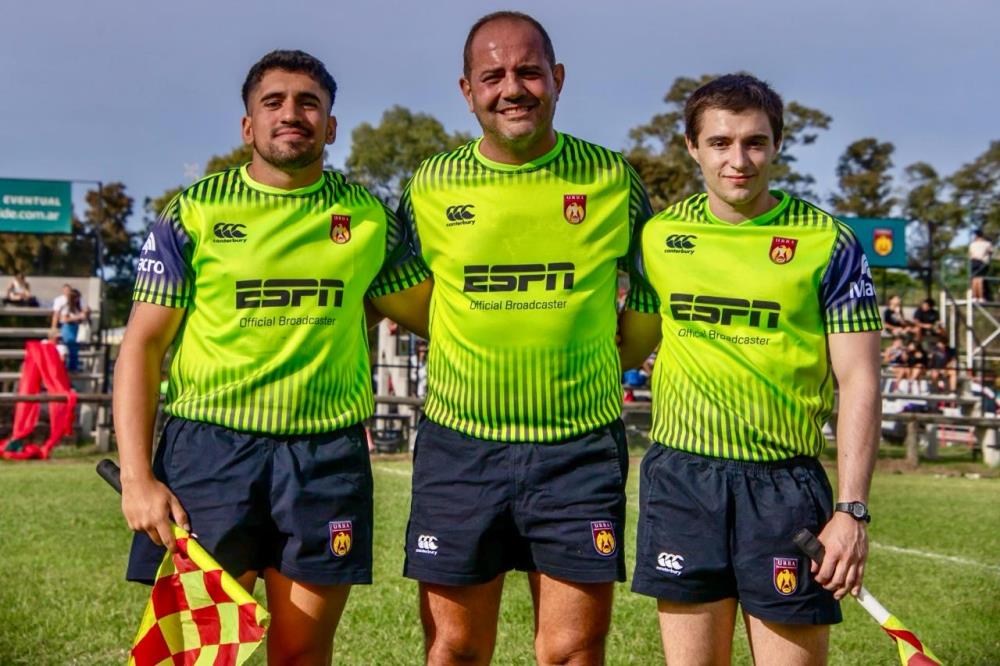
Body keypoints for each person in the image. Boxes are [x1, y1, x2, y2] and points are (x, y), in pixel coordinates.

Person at [114, 49, 430, 665]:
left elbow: (431, 313)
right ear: (248, 125)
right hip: (210, 455)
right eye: (274, 102)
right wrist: (136, 477)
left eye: (309, 103)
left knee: (301, 654)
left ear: (330, 126)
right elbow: (142, 344)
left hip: (325, 457)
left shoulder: (369, 218)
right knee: (195, 656)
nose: (292, 114)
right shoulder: (196, 211)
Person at [395, 12, 652, 664]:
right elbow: (395, 291)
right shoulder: (429, 185)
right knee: (454, 647)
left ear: (558, 78)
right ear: (467, 91)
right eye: (493, 76)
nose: (512, 88)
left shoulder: (612, 179)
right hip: (460, 447)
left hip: (578, 449)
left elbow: (652, 293)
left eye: (529, 72)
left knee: (572, 650)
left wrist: (601, 360)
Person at [619, 74, 882, 665]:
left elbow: (860, 380)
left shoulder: (829, 242)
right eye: (719, 142)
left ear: (777, 145)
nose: (738, 161)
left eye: (755, 142)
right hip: (683, 479)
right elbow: (624, 347)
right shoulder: (659, 237)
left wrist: (851, 510)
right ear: (692, 147)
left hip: (785, 488)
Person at [56, 288, 86, 371]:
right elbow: (64, 319)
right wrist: (78, 317)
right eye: (77, 297)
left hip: (75, 329)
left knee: (75, 350)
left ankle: (73, 367)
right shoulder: (66, 307)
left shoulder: (77, 308)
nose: (78, 299)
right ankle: (70, 368)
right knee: (71, 349)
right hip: (68, 329)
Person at [969, 228, 993, 302]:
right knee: (980, 280)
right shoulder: (987, 244)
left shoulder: (972, 244)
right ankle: (981, 297)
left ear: (976, 236)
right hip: (982, 262)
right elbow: (990, 252)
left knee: (974, 280)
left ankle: (974, 297)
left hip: (973, 262)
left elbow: (971, 254)